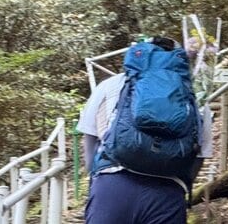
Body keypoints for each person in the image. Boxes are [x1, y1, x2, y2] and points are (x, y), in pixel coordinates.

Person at [76, 36, 212, 224]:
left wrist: (95, 178)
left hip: (112, 185)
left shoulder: (112, 84)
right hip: (167, 194)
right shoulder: (195, 96)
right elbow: (200, 154)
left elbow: (90, 137)